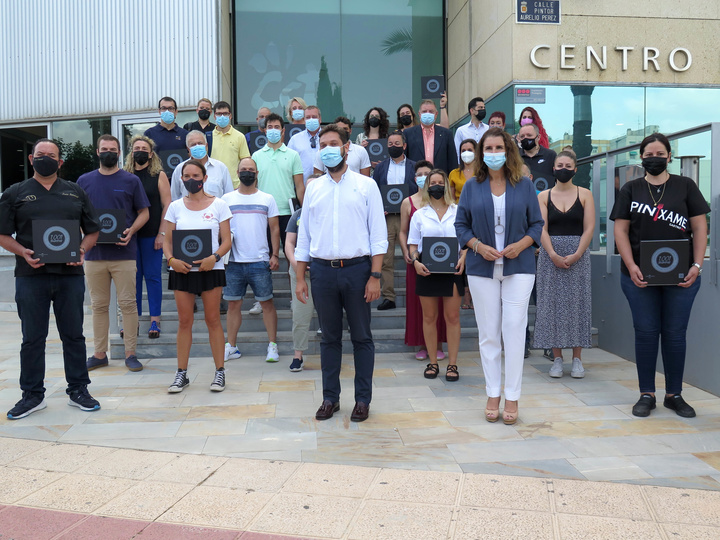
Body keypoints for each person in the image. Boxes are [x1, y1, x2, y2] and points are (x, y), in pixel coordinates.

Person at [610, 133, 710, 418]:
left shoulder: (685, 186)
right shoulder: (631, 188)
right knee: (645, 333)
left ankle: (674, 394)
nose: (654, 158)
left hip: (682, 277)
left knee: (675, 335)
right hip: (638, 276)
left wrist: (697, 265)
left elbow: (700, 228)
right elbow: (620, 231)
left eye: (660, 153)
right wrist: (630, 265)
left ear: (669, 156)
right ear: (641, 157)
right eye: (648, 153)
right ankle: (646, 393)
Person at [0, 139, 102, 419]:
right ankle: (32, 395)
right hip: (30, 275)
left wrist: (82, 249)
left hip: (70, 275)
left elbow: (92, 230)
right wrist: (22, 252)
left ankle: (78, 389)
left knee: (74, 335)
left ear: (60, 162)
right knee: (32, 337)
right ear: (32, 159)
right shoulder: (14, 193)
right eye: (40, 154)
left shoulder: (75, 192)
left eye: (52, 155)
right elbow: (3, 234)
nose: (46, 159)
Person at [295, 124, 387, 423]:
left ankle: (362, 400)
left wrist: (375, 275)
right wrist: (299, 276)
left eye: (334, 143)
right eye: (323, 144)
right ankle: (330, 398)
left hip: (358, 271)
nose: (328, 148)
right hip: (322, 272)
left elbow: (378, 234)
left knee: (362, 337)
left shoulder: (365, 185)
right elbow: (305, 235)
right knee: (329, 338)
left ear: (347, 147)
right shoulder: (313, 188)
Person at [455, 128, 543, 425]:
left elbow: (537, 225)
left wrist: (522, 245)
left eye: (498, 147)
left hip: (519, 268)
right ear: (482, 153)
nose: (493, 153)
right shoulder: (471, 186)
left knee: (514, 331)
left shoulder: (525, 186)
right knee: (489, 333)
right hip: (482, 268)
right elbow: (461, 226)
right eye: (488, 148)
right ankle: (493, 393)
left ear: (508, 151)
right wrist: (477, 246)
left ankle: (513, 396)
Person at [78, 135, 150, 373]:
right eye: (104, 149)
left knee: (128, 304)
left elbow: (144, 212)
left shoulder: (130, 180)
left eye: (112, 149)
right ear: (97, 152)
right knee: (98, 306)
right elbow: (77, 214)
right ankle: (100, 354)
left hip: (124, 253)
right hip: (94, 255)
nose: (108, 152)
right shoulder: (84, 181)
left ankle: (131, 353)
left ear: (119, 153)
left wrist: (132, 230)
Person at [163, 160, 232, 393]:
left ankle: (219, 372)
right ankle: (181, 374)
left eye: (196, 175)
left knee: (213, 319)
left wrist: (215, 256)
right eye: (186, 175)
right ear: (181, 178)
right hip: (181, 270)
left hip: (211, 269)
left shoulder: (220, 205)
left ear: (204, 178)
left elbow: (227, 241)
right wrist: (171, 260)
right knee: (184, 322)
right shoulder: (174, 207)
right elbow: (167, 241)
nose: (191, 179)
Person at [533, 150, 595, 378]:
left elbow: (589, 227)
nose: (564, 169)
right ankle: (557, 358)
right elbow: (541, 227)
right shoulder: (543, 196)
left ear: (575, 169)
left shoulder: (585, 194)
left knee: (578, 305)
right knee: (551, 306)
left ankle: (577, 359)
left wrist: (578, 254)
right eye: (560, 165)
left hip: (578, 255)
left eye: (568, 165)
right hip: (550, 257)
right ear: (553, 168)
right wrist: (552, 254)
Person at [408, 169, 466, 382]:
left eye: (440, 182)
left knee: (452, 317)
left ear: (446, 186)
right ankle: (433, 362)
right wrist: (415, 261)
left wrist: (464, 257)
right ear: (426, 186)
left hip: (452, 270)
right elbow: (413, 244)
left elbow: (466, 239)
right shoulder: (419, 214)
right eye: (432, 182)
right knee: (429, 318)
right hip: (427, 270)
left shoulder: (458, 211)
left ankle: (452, 364)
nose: (436, 186)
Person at [222, 158, 281, 363]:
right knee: (233, 305)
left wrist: (275, 255)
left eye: (251, 170)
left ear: (257, 173)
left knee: (267, 304)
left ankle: (272, 345)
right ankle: (231, 346)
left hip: (260, 261)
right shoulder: (226, 199)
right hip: (233, 262)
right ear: (237, 173)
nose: (247, 173)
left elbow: (274, 228)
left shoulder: (267, 198)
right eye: (243, 170)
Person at [124, 135, 171, 339]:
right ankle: (132, 321)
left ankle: (155, 321)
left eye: (144, 148)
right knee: (132, 279)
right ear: (131, 152)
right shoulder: (124, 175)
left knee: (152, 278)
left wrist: (162, 233)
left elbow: (167, 205)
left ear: (151, 154)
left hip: (152, 235)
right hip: (129, 236)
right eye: (137, 148)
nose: (140, 151)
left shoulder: (159, 175)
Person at [399, 160, 447, 360]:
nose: (423, 177)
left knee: (441, 304)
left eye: (427, 174)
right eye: (419, 174)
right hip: (418, 260)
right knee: (418, 304)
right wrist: (406, 252)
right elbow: (403, 231)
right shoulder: (407, 202)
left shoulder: (441, 202)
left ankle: (438, 345)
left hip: (443, 260)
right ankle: (421, 344)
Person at [373, 130, 418, 310]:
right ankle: (388, 297)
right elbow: (375, 190)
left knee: (414, 254)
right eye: (390, 144)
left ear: (404, 146)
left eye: (397, 144)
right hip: (388, 217)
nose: (393, 147)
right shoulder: (381, 167)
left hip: (411, 217)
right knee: (386, 257)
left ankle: (416, 294)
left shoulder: (415, 167)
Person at [284, 173, 322, 372]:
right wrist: (296, 263)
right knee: (300, 315)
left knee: (330, 315)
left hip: (324, 270)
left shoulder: (330, 213)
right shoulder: (297, 216)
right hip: (300, 272)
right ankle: (298, 355)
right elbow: (289, 243)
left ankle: (331, 353)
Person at [449, 138, 478, 310]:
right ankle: (465, 294)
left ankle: (475, 294)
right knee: (461, 255)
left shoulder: (483, 171)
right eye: (463, 149)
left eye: (470, 149)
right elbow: (451, 198)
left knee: (475, 253)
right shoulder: (454, 173)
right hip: (460, 216)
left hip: (479, 216)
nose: (466, 152)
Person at [171, 131, 234, 200]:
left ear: (206, 146)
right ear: (188, 149)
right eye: (193, 144)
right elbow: (174, 197)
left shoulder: (220, 167)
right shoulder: (180, 169)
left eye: (200, 143)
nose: (197, 146)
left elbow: (229, 196)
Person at [404, 100, 458, 175]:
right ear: (419, 114)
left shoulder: (446, 134)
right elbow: (405, 159)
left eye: (431, 111)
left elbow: (452, 160)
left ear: (436, 114)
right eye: (424, 111)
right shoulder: (408, 133)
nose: (427, 113)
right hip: (416, 178)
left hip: (440, 180)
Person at [144, 96, 189, 176]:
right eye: (164, 108)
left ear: (176, 112)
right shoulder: (149, 134)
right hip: (157, 178)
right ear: (159, 111)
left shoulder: (185, 134)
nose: (167, 111)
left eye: (171, 108)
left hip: (181, 178)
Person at [209, 101, 251, 188]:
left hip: (234, 186)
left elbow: (245, 161)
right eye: (219, 114)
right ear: (214, 116)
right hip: (212, 184)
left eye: (225, 113)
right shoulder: (208, 137)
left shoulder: (240, 136)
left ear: (230, 116)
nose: (222, 116)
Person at [519, 123, 557, 192]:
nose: (525, 138)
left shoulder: (550, 155)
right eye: (522, 136)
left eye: (529, 135)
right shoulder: (515, 157)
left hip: (546, 200)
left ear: (538, 137)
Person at [288, 105, 322, 182]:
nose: (311, 119)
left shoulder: (327, 137)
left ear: (320, 119)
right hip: (302, 187)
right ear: (304, 120)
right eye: (308, 117)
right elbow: (289, 164)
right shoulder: (295, 139)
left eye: (314, 117)